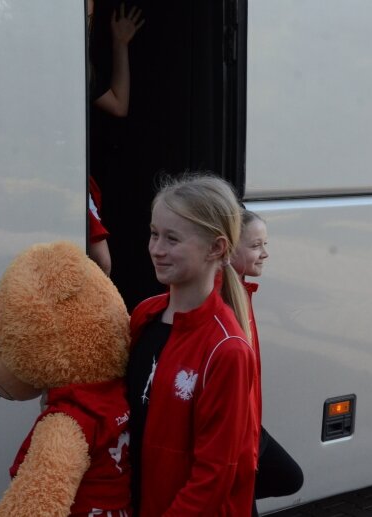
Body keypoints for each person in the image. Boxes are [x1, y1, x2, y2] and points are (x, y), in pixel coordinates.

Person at [126, 174, 259, 516]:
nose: (156, 249)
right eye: (154, 234)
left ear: (216, 248)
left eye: (172, 239)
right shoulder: (145, 315)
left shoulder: (226, 348)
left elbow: (213, 476)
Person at [231, 210, 304, 516]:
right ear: (227, 248)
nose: (265, 254)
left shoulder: (241, 292)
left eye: (265, 244)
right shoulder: (224, 305)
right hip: (239, 435)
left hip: (247, 431)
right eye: (255, 245)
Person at [87, 1, 145, 276]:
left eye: (89, 16)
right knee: (101, 262)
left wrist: (120, 43)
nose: (87, 21)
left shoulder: (82, 69)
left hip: (78, 175)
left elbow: (119, 105)